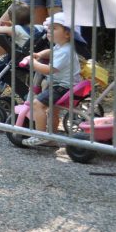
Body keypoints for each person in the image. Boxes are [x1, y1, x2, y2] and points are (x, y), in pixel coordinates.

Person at [22, 12, 81, 147]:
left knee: (37, 104)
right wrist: (39, 54)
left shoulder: (66, 51)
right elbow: (51, 51)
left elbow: (49, 70)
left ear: (68, 33)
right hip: (65, 85)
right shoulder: (62, 46)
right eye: (48, 28)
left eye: (53, 28)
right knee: (53, 110)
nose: (49, 31)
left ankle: (40, 136)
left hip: (62, 87)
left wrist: (33, 63)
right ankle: (51, 138)